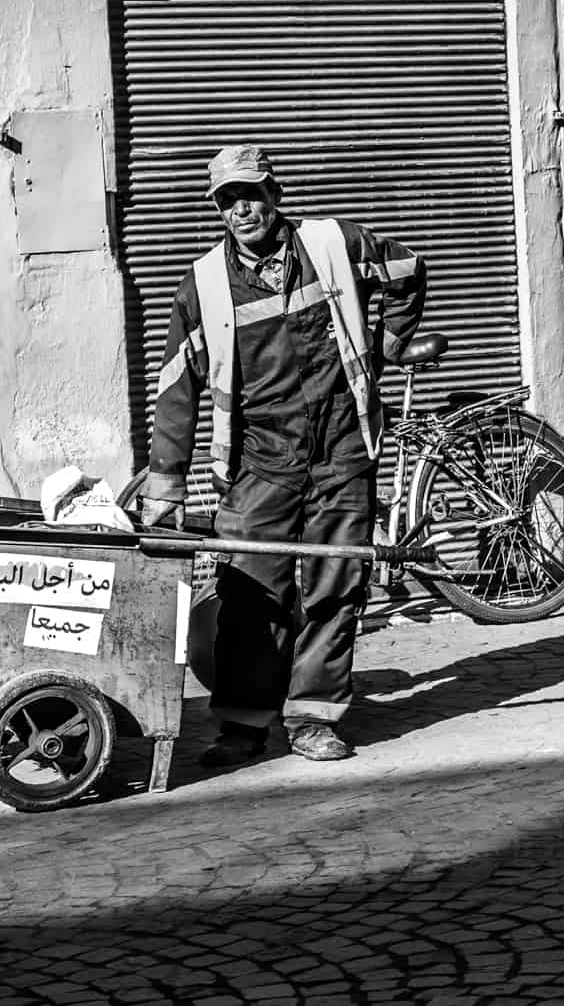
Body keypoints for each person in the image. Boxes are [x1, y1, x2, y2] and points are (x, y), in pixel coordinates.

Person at [139, 144, 426, 766]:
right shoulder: (204, 285)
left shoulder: (331, 243)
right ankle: (243, 727)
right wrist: (166, 479)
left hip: (342, 448)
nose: (241, 210)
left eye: (251, 195)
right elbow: (176, 385)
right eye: (227, 201)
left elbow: (405, 267)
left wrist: (389, 345)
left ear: (275, 192)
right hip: (259, 460)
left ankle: (313, 719)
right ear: (217, 210)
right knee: (249, 592)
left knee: (337, 585)